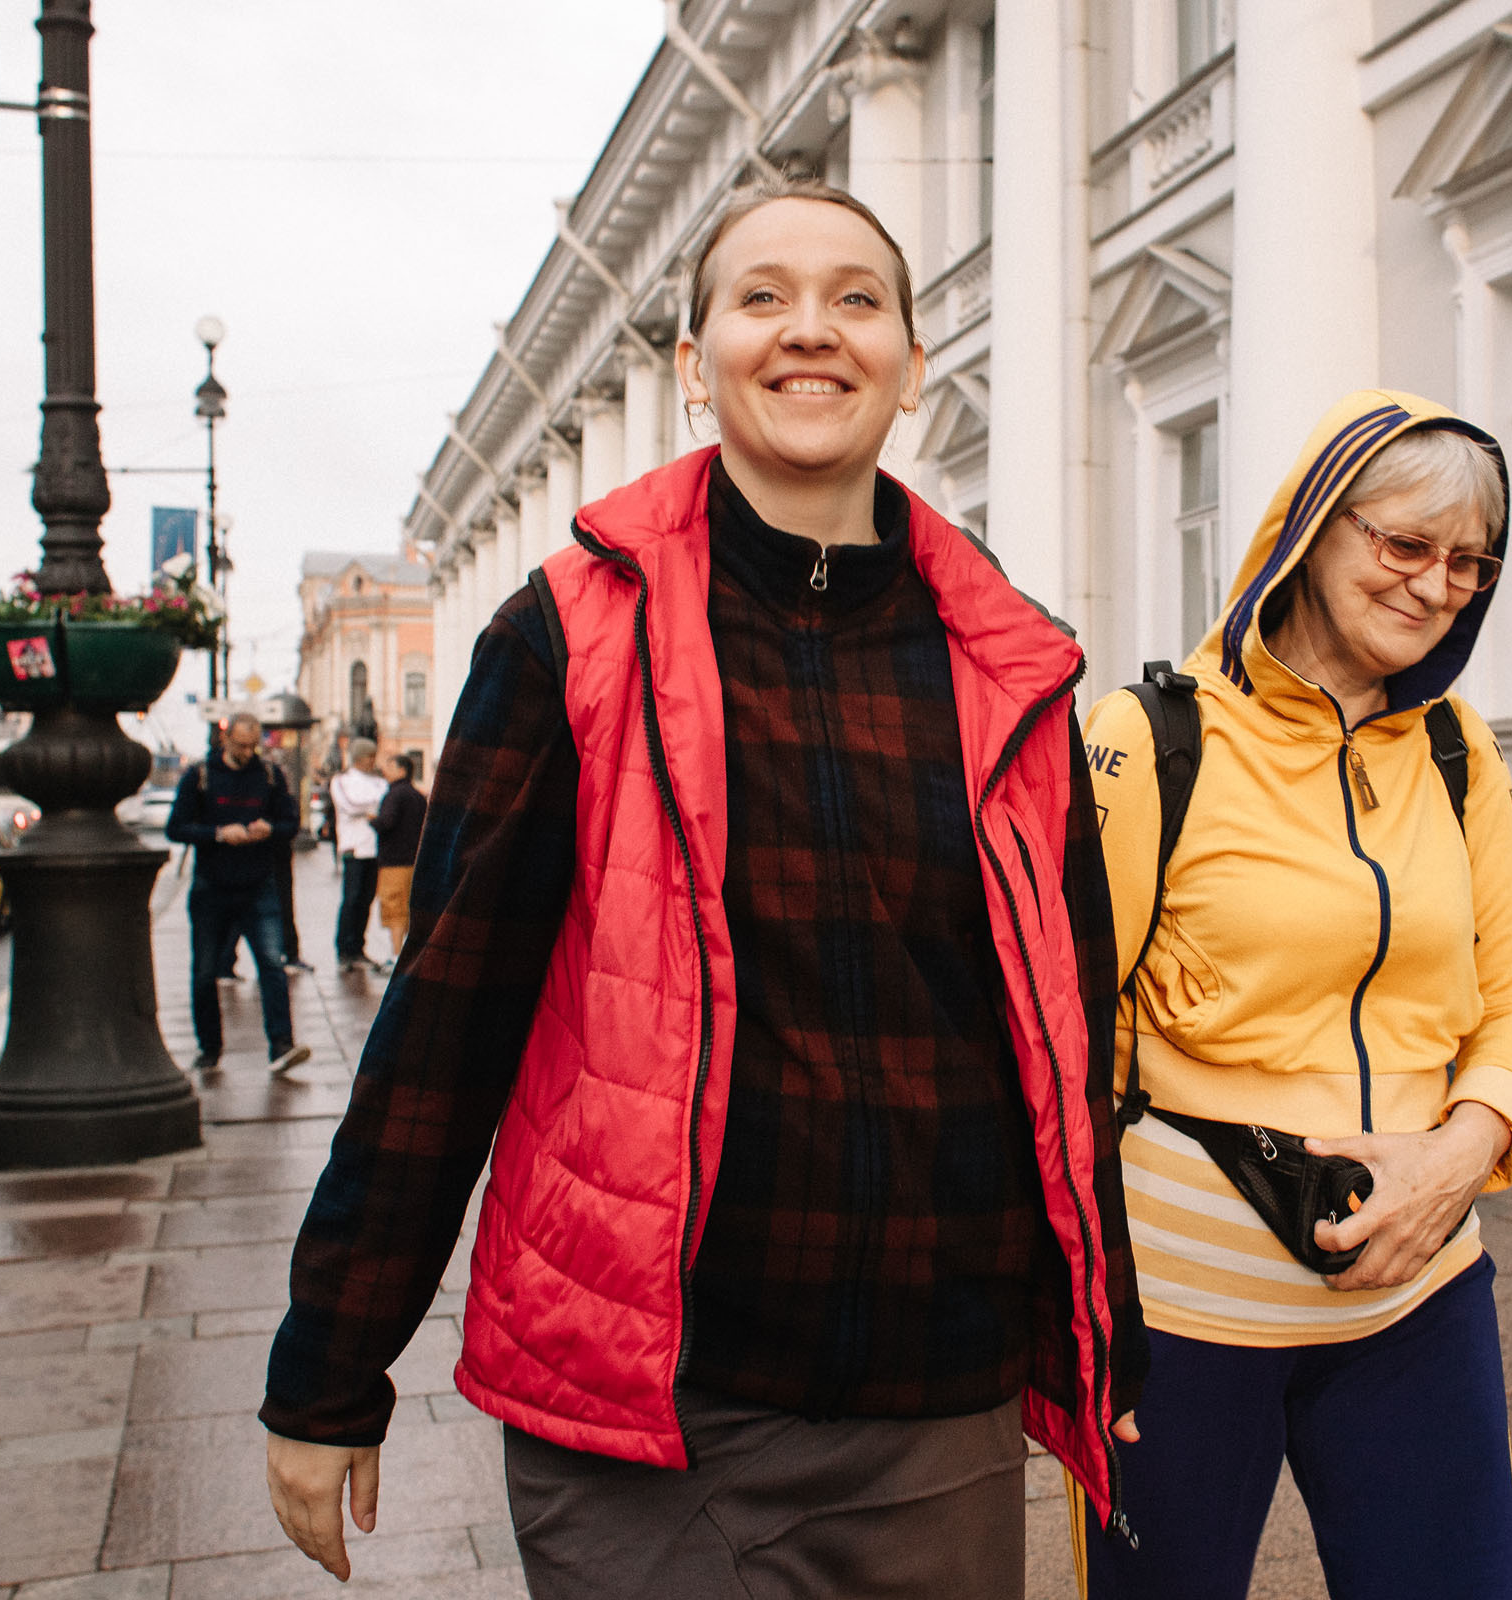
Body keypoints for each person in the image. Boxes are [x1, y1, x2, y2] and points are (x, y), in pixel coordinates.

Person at [260, 179, 1144, 1599]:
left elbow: (1067, 1037)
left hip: (938, 1401)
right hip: (657, 1410)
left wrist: (1108, 1329)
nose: (813, 330)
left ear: (915, 367)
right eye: (763, 296)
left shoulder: (1008, 662)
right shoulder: (567, 635)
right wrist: (330, 1363)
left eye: (859, 299)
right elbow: (445, 1022)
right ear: (693, 365)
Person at [1082, 391, 1512, 1599]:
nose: (1435, 584)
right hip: (1184, 1320)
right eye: (1403, 544)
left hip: (1423, 1298)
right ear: (1309, 532)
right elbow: (1063, 1039)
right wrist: (1072, 1315)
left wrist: (1464, 1153)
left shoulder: (1460, 749)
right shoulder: (1152, 740)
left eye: (1467, 561)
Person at [164, 713, 311, 1075]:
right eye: (242, 745)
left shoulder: (269, 776)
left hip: (258, 886)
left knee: (272, 967)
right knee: (203, 973)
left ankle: (281, 1045)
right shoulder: (200, 776)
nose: (249, 752)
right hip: (211, 889)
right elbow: (176, 828)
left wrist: (271, 828)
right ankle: (210, 1048)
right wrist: (217, 834)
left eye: (254, 745)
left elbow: (291, 824)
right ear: (226, 738)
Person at [327, 739, 387, 973]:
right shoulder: (341, 780)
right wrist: (373, 808)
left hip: (376, 849)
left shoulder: (379, 782)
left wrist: (370, 809)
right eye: (366, 757)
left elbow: (387, 805)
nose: (370, 761)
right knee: (351, 900)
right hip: (354, 848)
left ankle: (358, 947)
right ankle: (344, 949)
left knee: (366, 900)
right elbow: (349, 806)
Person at [369, 754, 425, 965]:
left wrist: (372, 820)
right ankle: (408, 954)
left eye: (390, 765)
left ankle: (395, 955)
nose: (385, 769)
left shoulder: (394, 794)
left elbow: (387, 822)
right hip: (414, 860)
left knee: (394, 908)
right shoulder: (418, 796)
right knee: (409, 907)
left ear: (402, 770)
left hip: (394, 861)